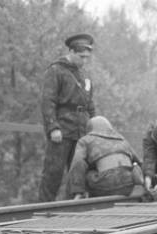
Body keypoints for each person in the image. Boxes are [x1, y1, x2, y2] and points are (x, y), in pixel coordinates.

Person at [39, 33, 96, 202]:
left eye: (86, 57)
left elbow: (90, 104)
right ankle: (43, 208)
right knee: (53, 172)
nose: (84, 61)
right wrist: (53, 127)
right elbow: (47, 101)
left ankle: (71, 209)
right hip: (62, 130)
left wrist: (95, 127)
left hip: (82, 130)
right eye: (81, 56)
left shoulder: (84, 76)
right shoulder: (56, 70)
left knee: (77, 174)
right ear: (71, 51)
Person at [66, 116, 143, 199]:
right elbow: (139, 162)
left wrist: (76, 188)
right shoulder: (122, 139)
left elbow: (77, 163)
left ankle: (79, 195)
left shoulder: (85, 140)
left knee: (83, 166)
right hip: (128, 186)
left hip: (104, 187)